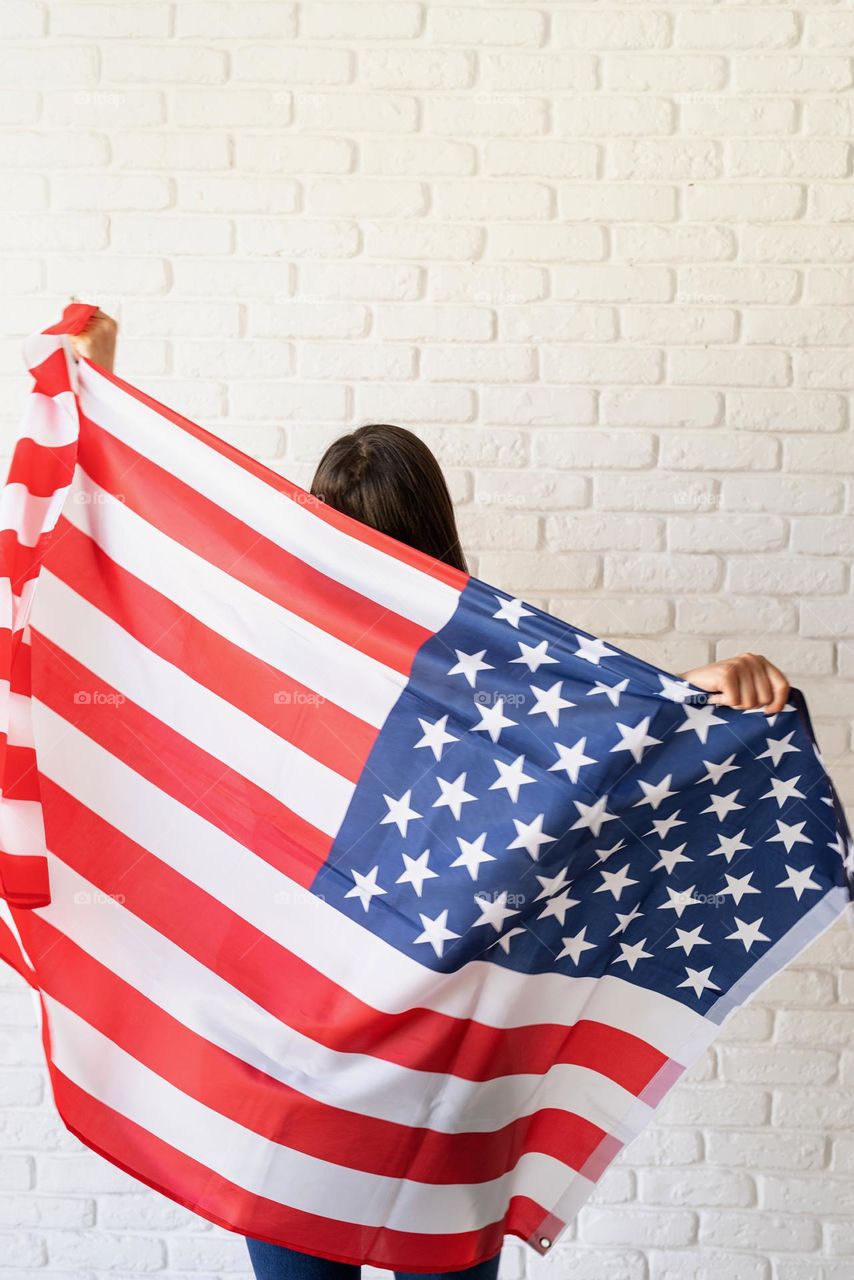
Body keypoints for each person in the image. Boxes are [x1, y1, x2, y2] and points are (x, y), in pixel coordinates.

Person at [68, 308, 791, 1280]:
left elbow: (596, 741)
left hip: (385, 1071)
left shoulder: (476, 664)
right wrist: (92, 391)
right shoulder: (282, 663)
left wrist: (700, 687)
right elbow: (143, 603)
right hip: (346, 1067)